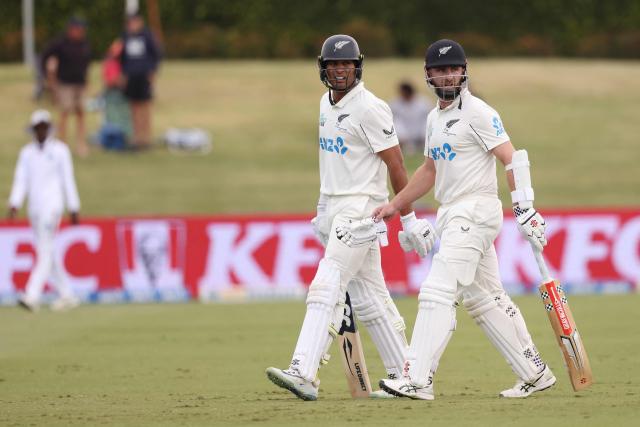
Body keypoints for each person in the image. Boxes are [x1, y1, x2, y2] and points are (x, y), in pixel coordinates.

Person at [375, 39, 556, 400]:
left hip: (475, 211)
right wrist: (396, 204)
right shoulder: (433, 117)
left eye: (453, 68)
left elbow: (512, 157)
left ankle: (417, 378)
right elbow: (429, 170)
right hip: (453, 213)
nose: (447, 75)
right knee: (485, 298)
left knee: (436, 290)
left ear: (464, 70)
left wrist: (525, 207)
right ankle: (535, 372)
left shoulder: (479, 112)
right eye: (440, 70)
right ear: (428, 75)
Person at [265, 35, 433, 401]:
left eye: (346, 64)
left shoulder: (370, 108)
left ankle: (304, 371)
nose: (340, 70)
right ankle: (410, 375)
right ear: (322, 68)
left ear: (358, 66)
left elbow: (397, 163)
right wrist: (323, 208)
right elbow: (333, 165)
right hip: (336, 209)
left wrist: (408, 219)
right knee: (370, 297)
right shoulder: (325, 105)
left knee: (327, 283)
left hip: (362, 211)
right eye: (333, 64)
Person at [8, 110, 81, 312]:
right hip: (34, 208)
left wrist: (74, 206)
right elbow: (21, 179)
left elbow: (68, 179)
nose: (41, 131)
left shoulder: (60, 151)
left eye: (44, 127)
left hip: (53, 207)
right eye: (37, 128)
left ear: (49, 128)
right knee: (47, 251)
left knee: (45, 250)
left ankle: (32, 295)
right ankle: (67, 295)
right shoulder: (27, 153)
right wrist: (15, 202)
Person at [40, 17, 91, 157]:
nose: (81, 32)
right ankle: (62, 145)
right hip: (65, 84)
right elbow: (45, 56)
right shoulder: (60, 44)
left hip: (80, 83)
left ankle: (81, 144)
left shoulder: (84, 44)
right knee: (65, 112)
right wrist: (47, 76)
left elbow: (86, 63)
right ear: (71, 29)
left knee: (81, 113)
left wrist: (87, 80)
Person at [120, 13, 162, 148]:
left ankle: (146, 137)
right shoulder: (125, 37)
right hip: (131, 77)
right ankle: (136, 137)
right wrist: (123, 74)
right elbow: (122, 57)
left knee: (145, 106)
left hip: (144, 76)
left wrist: (153, 71)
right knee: (134, 107)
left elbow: (157, 54)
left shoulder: (147, 36)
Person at [389, 81, 433, 154]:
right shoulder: (395, 104)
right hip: (404, 134)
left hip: (420, 131)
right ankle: (406, 147)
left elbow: (431, 118)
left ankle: (424, 146)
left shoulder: (423, 102)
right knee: (396, 125)